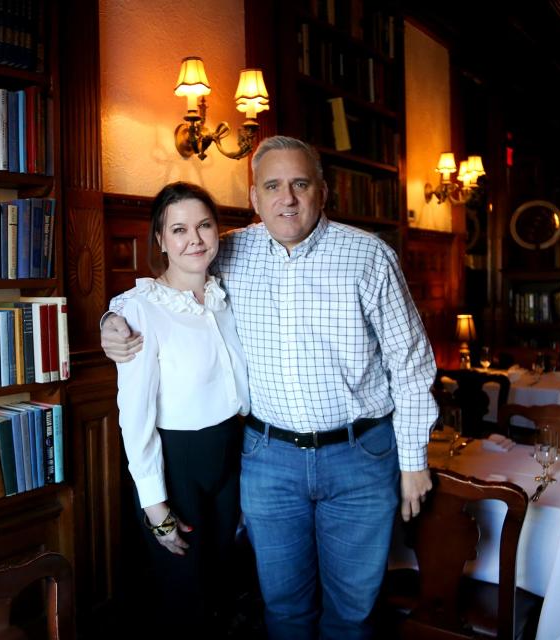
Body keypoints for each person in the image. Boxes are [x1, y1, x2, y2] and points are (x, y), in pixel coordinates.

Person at [103, 136, 436, 639]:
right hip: (267, 460)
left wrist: (413, 461)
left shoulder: (370, 256)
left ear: (322, 192)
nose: (289, 198)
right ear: (254, 197)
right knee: (282, 609)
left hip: (360, 457)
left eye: (301, 184)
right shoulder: (231, 250)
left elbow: (411, 365)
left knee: (354, 611)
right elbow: (160, 291)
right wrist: (112, 320)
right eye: (273, 186)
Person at [114, 182, 249, 638]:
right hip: (175, 465)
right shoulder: (140, 309)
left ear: (218, 231)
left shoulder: (223, 297)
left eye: (204, 225)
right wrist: (157, 510)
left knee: (223, 589)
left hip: (230, 455)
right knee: (181, 598)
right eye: (179, 229)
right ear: (160, 239)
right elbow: (135, 420)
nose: (194, 238)